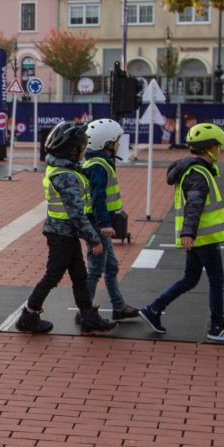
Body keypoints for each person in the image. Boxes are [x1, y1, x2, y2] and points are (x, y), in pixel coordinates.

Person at [136, 123, 224, 344]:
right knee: (216, 280)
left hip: (198, 235)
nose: (219, 151)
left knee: (190, 278)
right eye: (217, 147)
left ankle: (154, 309)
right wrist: (189, 233)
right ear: (209, 148)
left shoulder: (190, 169)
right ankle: (217, 326)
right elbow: (194, 204)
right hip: (203, 236)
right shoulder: (198, 173)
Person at [17, 122, 107, 335]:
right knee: (53, 276)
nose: (85, 149)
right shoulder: (65, 176)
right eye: (83, 146)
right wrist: (93, 239)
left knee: (79, 275)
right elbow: (76, 213)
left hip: (65, 233)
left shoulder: (61, 169)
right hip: (62, 235)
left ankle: (88, 315)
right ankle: (28, 315)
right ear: (73, 150)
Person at [80, 118, 140, 322]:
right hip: (98, 224)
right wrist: (104, 224)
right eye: (116, 141)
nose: (118, 145)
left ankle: (119, 306)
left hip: (101, 222)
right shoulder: (98, 166)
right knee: (95, 269)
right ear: (105, 143)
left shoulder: (98, 162)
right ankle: (85, 311)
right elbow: (98, 198)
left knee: (111, 266)